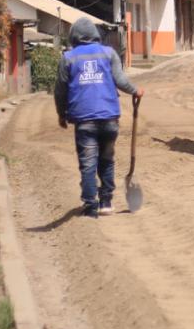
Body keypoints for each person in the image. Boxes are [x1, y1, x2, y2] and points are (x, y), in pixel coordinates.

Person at [53, 17, 143, 217]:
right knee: (107, 160)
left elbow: (60, 91)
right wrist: (135, 90)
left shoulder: (68, 58)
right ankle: (106, 202)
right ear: (95, 35)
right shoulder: (108, 53)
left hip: (84, 121)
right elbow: (120, 80)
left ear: (74, 36)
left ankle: (90, 205)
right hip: (109, 119)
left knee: (88, 163)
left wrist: (61, 114)